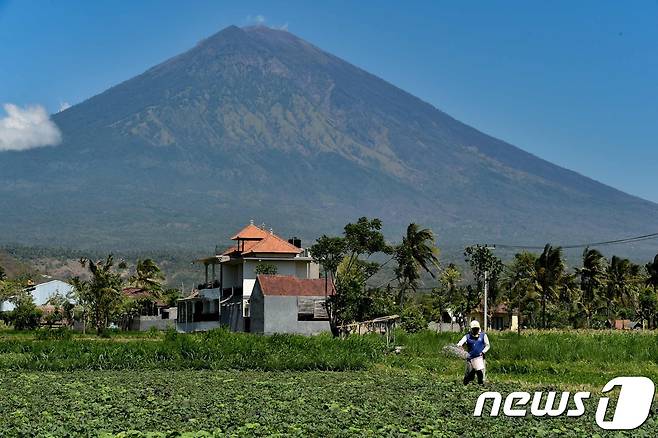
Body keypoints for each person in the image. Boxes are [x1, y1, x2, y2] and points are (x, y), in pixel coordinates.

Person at [457, 320, 490, 385]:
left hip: (480, 358)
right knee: (469, 374)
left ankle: (481, 385)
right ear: (471, 329)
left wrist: (483, 352)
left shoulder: (483, 336)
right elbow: (459, 344)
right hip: (470, 359)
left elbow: (488, 345)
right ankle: (466, 385)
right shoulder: (467, 336)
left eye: (477, 329)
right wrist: (461, 350)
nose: (475, 330)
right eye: (474, 329)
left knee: (480, 374)